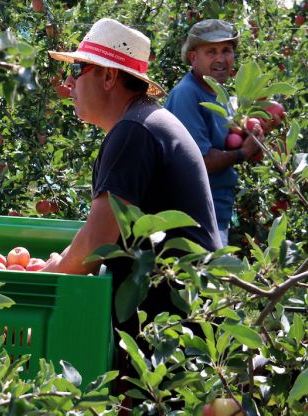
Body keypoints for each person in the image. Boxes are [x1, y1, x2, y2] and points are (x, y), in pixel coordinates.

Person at [41, 17, 222, 402]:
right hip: (183, 333)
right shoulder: (142, 124)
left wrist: (49, 273)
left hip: (175, 342)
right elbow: (104, 229)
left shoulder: (134, 131)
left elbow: (96, 243)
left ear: (108, 77)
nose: (68, 84)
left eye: (78, 70)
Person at [164, 19, 262, 246]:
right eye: (211, 51)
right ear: (192, 57)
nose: (221, 59)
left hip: (215, 213)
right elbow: (199, 162)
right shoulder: (188, 94)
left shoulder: (221, 95)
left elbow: (228, 143)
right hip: (192, 219)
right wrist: (242, 153)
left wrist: (255, 135)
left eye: (226, 50)